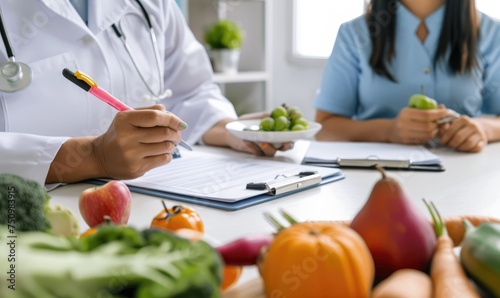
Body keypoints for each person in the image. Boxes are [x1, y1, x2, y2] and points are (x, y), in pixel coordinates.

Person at [0, 0, 290, 186]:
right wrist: (94, 156)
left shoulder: (151, 4)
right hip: (23, 224)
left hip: (149, 204)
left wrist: (227, 129)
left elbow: (192, 89)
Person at [314, 0, 500, 153]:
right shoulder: (354, 34)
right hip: (376, 176)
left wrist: (483, 129)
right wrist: (389, 131)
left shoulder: (492, 33)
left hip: (465, 178)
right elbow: (325, 128)